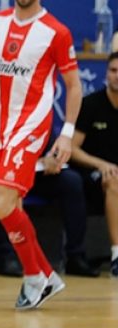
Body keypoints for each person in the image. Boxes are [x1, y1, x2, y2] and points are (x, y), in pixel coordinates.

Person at [0, 0, 82, 309]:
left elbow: (74, 86)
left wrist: (66, 135)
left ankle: (34, 276)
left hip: (30, 125)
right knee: (9, 205)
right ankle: (46, 275)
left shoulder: (56, 31)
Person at [0, 84, 93, 278]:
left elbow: (48, 141)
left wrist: (53, 157)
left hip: (31, 167)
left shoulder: (36, 96)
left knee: (71, 182)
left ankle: (75, 256)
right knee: (6, 186)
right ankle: (8, 256)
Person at [72, 51, 118, 278]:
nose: (117, 76)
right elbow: (71, 149)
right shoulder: (91, 104)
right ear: (106, 74)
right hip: (92, 174)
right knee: (113, 180)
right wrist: (100, 164)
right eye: (113, 71)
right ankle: (117, 255)